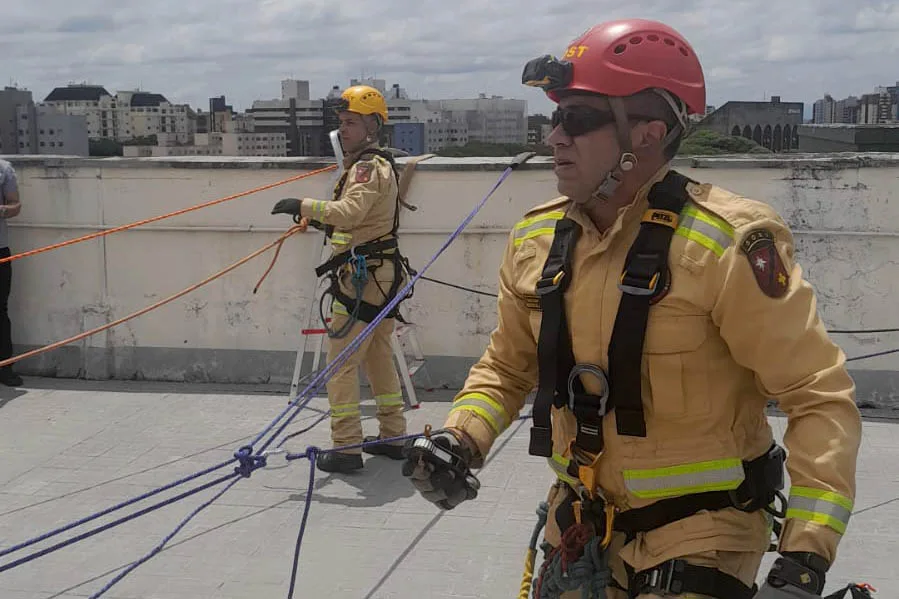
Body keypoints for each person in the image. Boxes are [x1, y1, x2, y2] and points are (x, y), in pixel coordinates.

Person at [402, 18, 862, 599]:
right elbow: (508, 367)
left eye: (578, 118)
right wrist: (460, 438)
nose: (555, 137)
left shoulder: (725, 244)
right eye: (555, 118)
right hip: (579, 529)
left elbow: (817, 394)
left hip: (702, 537)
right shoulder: (537, 240)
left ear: (648, 133)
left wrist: (803, 560)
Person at [271, 85, 412, 473]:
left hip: (363, 280)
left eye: (351, 123)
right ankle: (393, 436)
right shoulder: (376, 165)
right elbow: (360, 221)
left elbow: (350, 212)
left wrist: (302, 205)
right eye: (342, 123)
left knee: (341, 364)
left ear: (372, 126)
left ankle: (347, 446)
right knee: (379, 357)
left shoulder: (366, 167)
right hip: (381, 275)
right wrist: (321, 221)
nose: (343, 130)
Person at [0, 159, 23, 387]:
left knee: (0, 309)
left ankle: (5, 368)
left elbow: (15, 205)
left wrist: (2, 210)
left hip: (0, 250)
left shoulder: (3, 169)